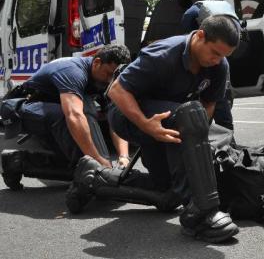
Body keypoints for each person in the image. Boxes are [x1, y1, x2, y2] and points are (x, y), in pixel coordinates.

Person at [74, 15, 241, 243]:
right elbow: (117, 91)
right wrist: (146, 125)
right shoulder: (163, 54)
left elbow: (209, 105)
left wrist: (197, 138)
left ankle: (94, 177)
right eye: (215, 52)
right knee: (189, 115)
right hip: (126, 115)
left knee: (167, 192)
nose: (217, 60)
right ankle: (201, 213)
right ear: (200, 36)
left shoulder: (219, 65)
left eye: (224, 56)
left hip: (167, 119)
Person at [2, 45, 131, 173]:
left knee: (76, 162)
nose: (110, 80)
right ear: (97, 63)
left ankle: (16, 161)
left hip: (53, 106)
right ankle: (91, 169)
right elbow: (74, 115)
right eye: (108, 74)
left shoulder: (107, 79)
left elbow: (114, 119)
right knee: (84, 158)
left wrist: (124, 156)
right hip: (23, 107)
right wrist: (98, 161)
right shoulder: (73, 72)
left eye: (114, 77)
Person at [181, 0, 243, 130]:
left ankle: (213, 132)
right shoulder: (228, 13)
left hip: (207, 62)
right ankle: (227, 136)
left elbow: (187, 40)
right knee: (221, 102)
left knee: (216, 97)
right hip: (219, 63)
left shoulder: (191, 12)